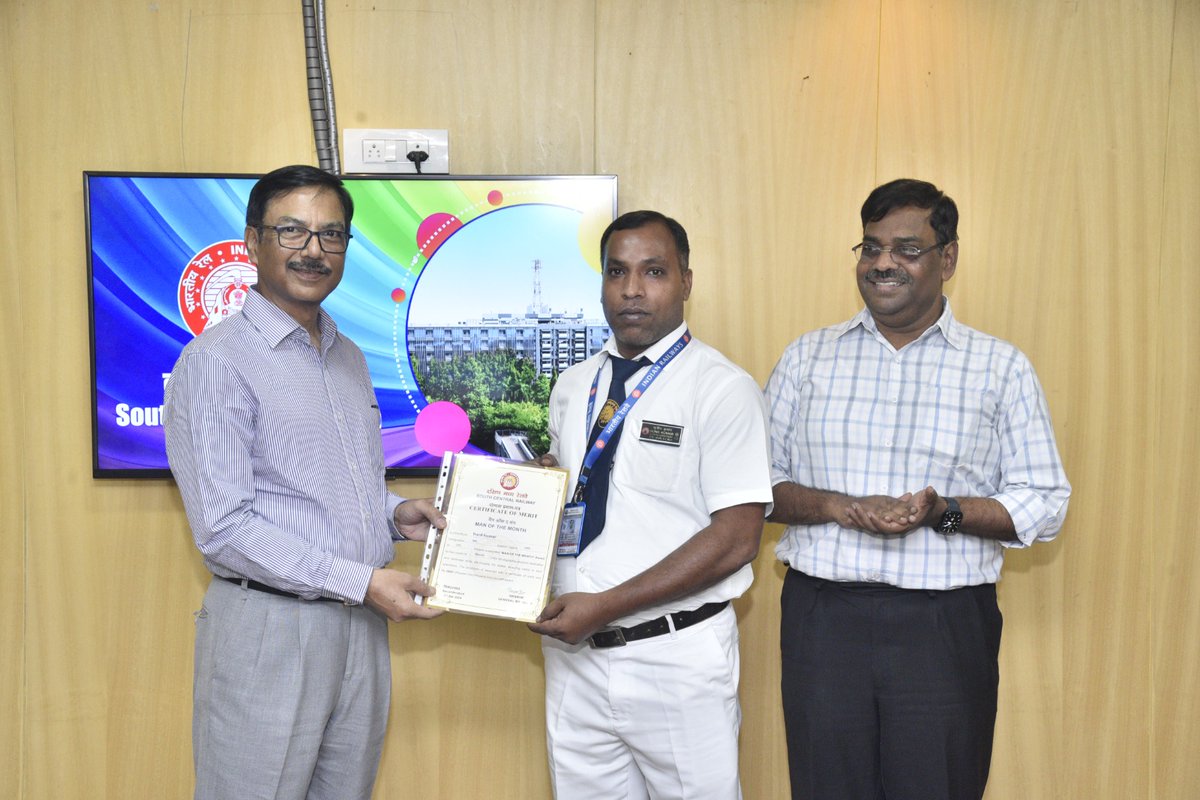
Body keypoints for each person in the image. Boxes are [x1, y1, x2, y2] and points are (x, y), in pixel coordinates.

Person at [764, 178, 1071, 800]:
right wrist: (837, 508)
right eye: (871, 247)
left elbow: (1045, 502)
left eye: (906, 248)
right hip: (823, 621)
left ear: (947, 258)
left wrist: (944, 514)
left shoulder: (999, 367)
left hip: (943, 626)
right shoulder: (807, 359)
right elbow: (758, 488)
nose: (883, 263)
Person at [164, 164, 443, 800]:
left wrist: (395, 512)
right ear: (251, 241)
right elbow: (225, 527)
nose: (313, 250)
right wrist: (362, 581)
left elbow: (325, 484)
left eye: (331, 234)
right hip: (270, 629)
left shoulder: (346, 356)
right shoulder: (216, 362)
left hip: (359, 629)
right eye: (291, 231)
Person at [528, 210, 774, 799]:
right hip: (574, 658)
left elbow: (738, 538)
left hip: (676, 657)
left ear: (686, 281)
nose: (632, 290)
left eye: (654, 271)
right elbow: (584, 493)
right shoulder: (572, 383)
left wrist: (607, 605)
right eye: (617, 272)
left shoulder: (721, 388)